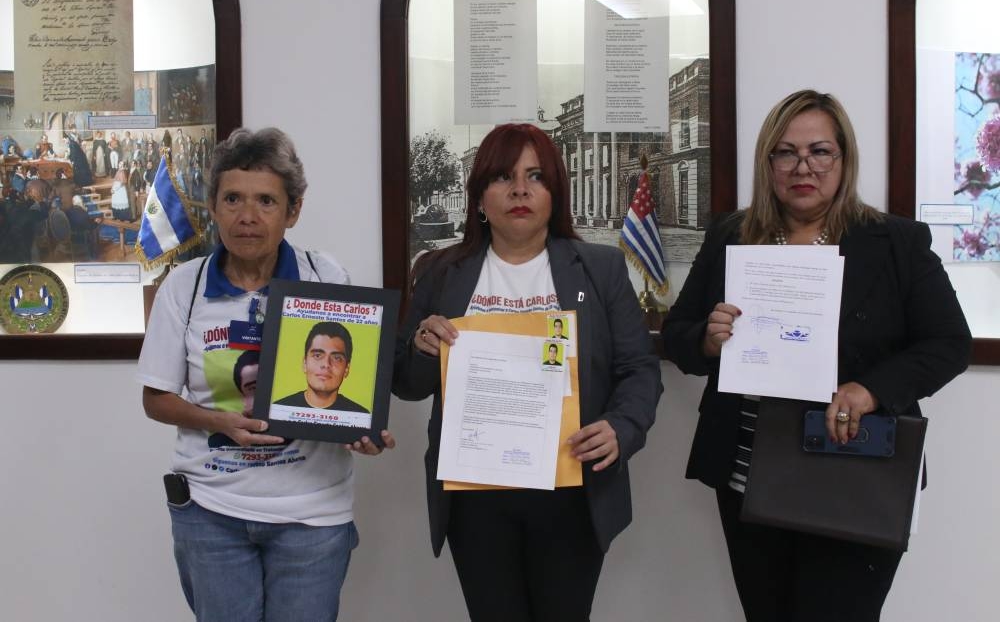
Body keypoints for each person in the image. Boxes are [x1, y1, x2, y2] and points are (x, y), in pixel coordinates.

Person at [661, 90, 971, 622]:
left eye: (820, 151)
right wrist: (708, 340)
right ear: (768, 163)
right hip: (747, 477)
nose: (803, 166)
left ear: (844, 159)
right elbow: (677, 335)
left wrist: (869, 390)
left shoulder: (894, 241)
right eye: (785, 152)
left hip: (855, 472)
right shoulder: (732, 235)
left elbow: (949, 343)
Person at [393, 122, 662, 621]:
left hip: (571, 491)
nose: (519, 189)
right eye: (502, 177)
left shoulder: (600, 268)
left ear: (554, 194)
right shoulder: (439, 272)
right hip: (475, 499)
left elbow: (639, 369)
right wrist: (426, 349)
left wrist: (621, 428)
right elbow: (406, 384)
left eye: (536, 176)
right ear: (479, 198)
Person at [137, 127, 393, 622]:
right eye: (232, 198)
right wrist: (220, 422)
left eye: (266, 201)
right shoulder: (184, 287)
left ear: (292, 211)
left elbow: (349, 382)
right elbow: (156, 399)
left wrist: (364, 433)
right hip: (212, 513)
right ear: (213, 206)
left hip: (312, 517)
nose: (247, 216)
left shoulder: (324, 276)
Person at [273, 321, 370, 414]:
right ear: (305, 363)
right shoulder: (278, 409)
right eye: (317, 355)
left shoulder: (361, 416)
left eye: (336, 358)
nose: (326, 364)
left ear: (346, 369)